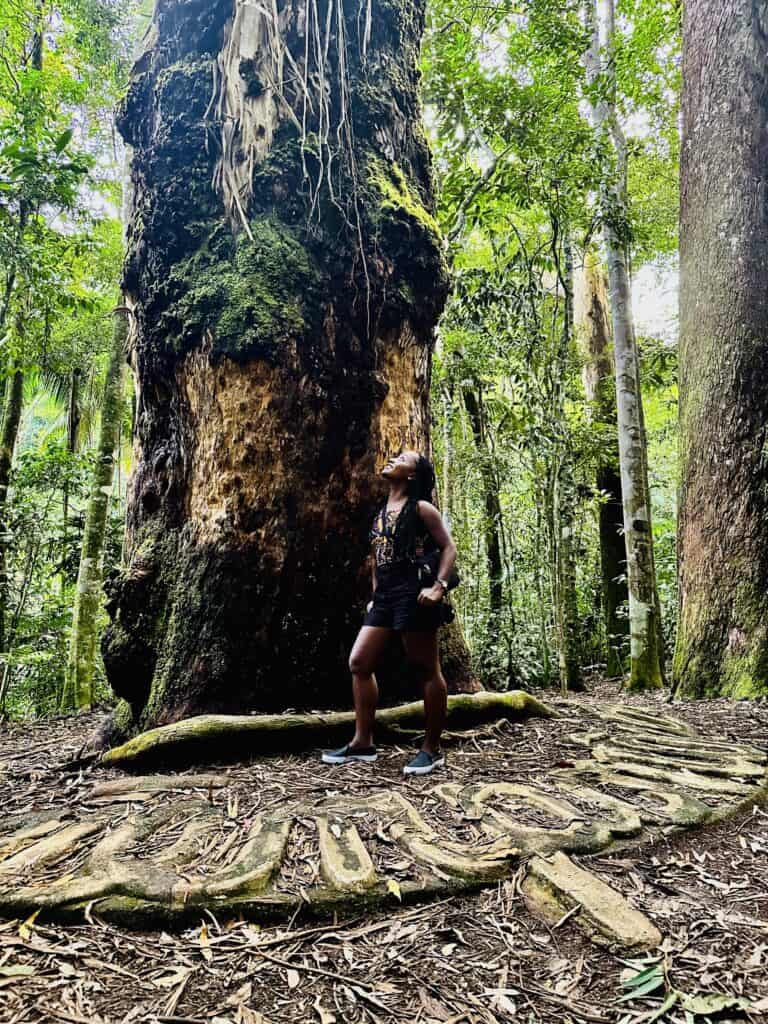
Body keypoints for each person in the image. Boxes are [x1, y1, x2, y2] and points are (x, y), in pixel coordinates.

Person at [322, 450, 457, 776]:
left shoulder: (422, 508)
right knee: (359, 662)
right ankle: (362, 742)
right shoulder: (381, 512)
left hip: (414, 594)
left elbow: (449, 548)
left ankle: (432, 749)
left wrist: (438, 587)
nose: (394, 459)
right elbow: (376, 558)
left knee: (426, 669)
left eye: (403, 458)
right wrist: (374, 595)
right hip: (384, 598)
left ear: (412, 475)